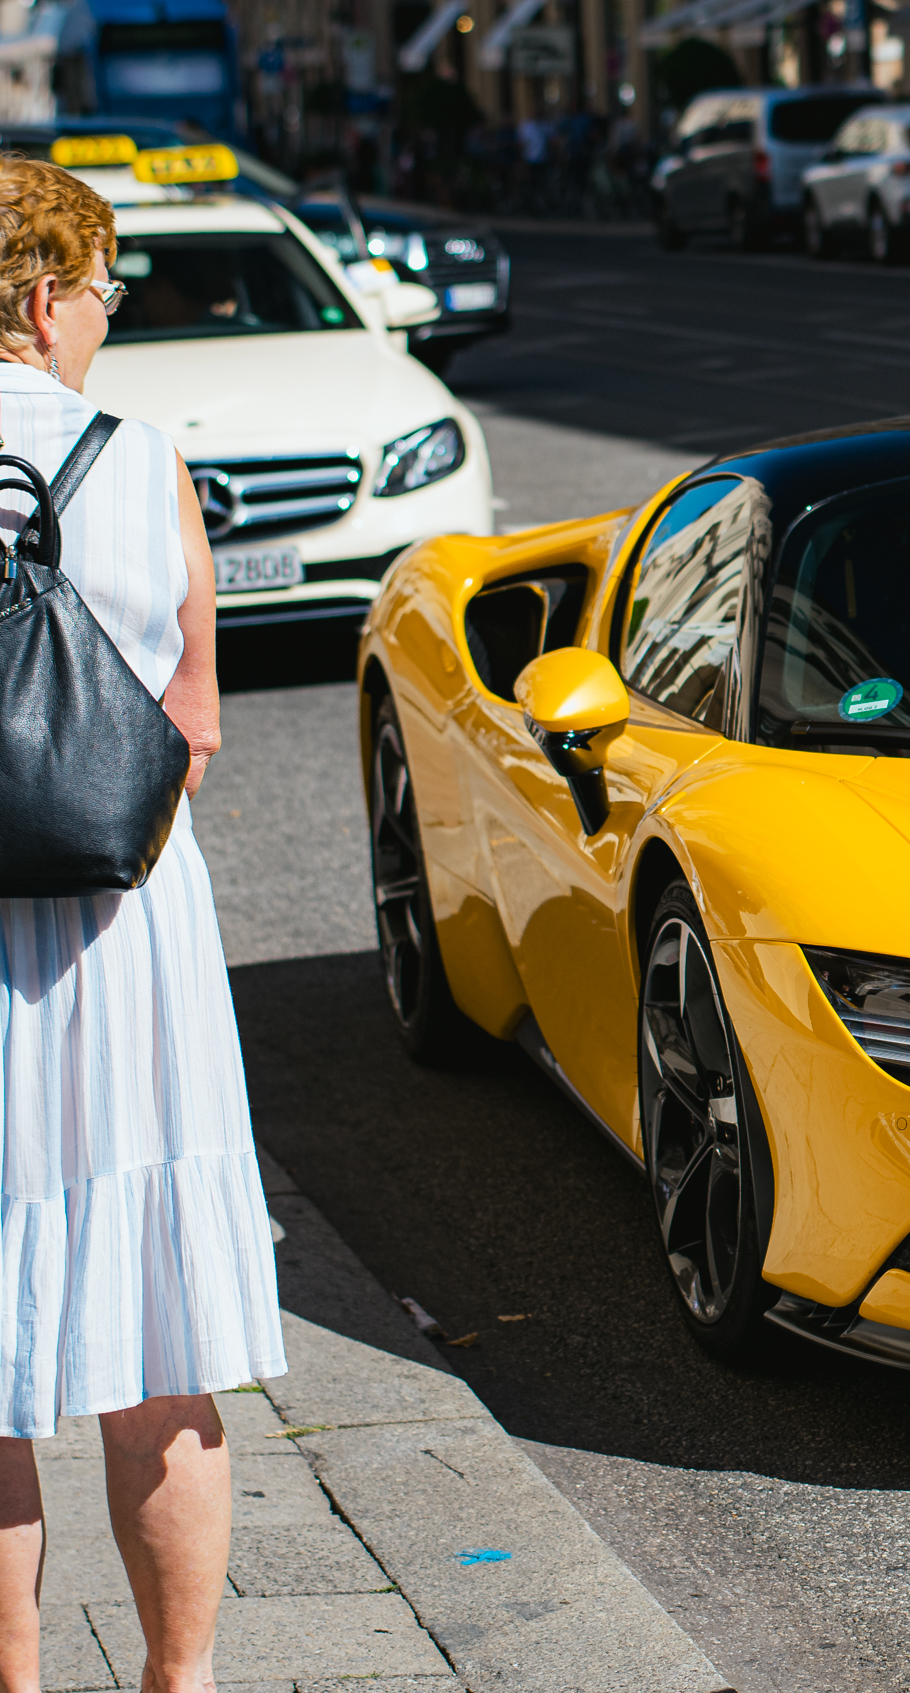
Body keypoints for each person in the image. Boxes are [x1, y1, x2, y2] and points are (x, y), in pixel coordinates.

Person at [0, 155, 286, 1693]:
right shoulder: (142, 454)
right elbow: (196, 725)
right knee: (159, 1359)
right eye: (107, 294)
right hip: (124, 939)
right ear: (44, 301)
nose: (108, 322)